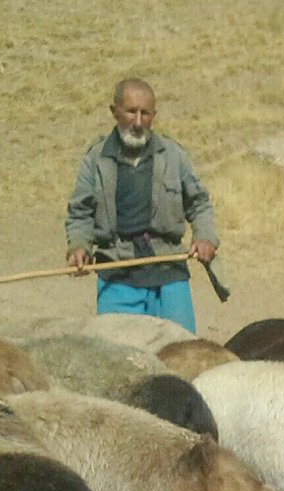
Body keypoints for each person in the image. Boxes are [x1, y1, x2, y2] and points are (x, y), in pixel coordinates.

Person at [65, 78, 225, 333]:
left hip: (169, 270)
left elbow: (199, 203)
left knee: (183, 350)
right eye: (131, 112)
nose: (138, 122)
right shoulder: (96, 159)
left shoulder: (173, 155)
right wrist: (79, 246)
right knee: (119, 353)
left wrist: (205, 237)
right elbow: (80, 212)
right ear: (114, 111)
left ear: (154, 115)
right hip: (117, 274)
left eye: (145, 113)